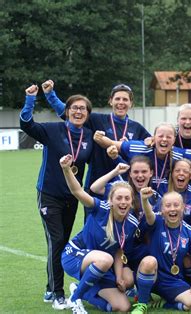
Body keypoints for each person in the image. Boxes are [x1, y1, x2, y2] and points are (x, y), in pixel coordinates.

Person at [20, 84, 94, 309]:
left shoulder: (90, 137)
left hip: (72, 197)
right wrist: (30, 99)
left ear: (87, 114)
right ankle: (58, 293)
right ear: (67, 111)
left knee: (59, 242)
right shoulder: (53, 130)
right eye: (74, 108)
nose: (78, 112)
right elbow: (27, 124)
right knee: (57, 240)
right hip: (49, 195)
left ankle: (49, 287)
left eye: (83, 109)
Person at [60, 154, 138, 313]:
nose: (123, 202)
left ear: (131, 201)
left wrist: (118, 278)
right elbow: (77, 191)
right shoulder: (100, 208)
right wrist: (66, 169)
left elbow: (118, 250)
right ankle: (75, 300)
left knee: (123, 307)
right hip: (74, 254)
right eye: (119, 198)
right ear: (111, 200)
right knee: (104, 259)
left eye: (127, 199)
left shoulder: (131, 223)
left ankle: (80, 289)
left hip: (103, 264)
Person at [42, 80, 150, 194]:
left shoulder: (137, 128)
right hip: (95, 184)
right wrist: (50, 94)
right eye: (117, 99)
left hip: (124, 188)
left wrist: (128, 145)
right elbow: (70, 113)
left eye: (125, 99)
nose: (121, 102)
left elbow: (151, 146)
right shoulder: (96, 120)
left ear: (131, 103)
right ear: (110, 101)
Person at [132, 190, 191, 313]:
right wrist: (144, 200)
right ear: (162, 209)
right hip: (153, 275)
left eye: (176, 205)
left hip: (173, 281)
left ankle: (167, 304)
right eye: (168, 205)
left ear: (183, 207)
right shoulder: (157, 221)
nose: (172, 209)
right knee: (149, 261)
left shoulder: (190, 232)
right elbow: (149, 215)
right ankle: (142, 304)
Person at [95, 122, 191, 192]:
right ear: (153, 137)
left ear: (174, 140)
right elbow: (111, 143)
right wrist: (99, 137)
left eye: (168, 137)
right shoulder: (139, 147)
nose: (164, 139)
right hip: (136, 198)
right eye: (160, 136)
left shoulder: (180, 155)